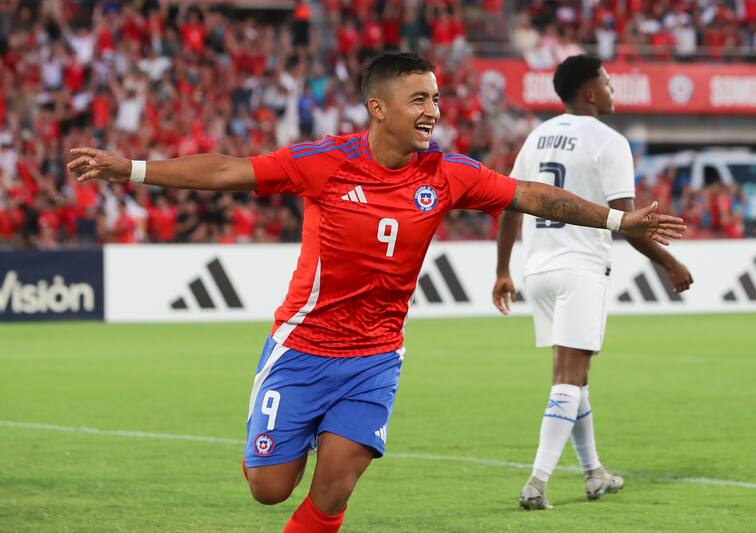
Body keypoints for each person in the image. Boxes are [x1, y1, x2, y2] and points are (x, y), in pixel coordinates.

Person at [68, 53, 684, 532]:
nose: (432, 111)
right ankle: (281, 433)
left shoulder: (446, 174)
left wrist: (615, 220)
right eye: (419, 99)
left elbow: (529, 195)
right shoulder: (324, 162)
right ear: (378, 108)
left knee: (335, 486)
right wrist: (135, 170)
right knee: (269, 487)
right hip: (303, 348)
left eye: (437, 99)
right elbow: (230, 169)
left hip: (374, 358)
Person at [492, 54, 694, 511]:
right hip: (579, 268)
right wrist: (670, 263)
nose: (612, 87)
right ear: (589, 92)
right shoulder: (610, 141)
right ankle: (537, 481)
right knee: (567, 379)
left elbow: (509, 203)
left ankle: (594, 473)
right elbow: (629, 222)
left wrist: (503, 269)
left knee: (575, 378)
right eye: (606, 80)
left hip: (536, 269)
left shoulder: (537, 135)